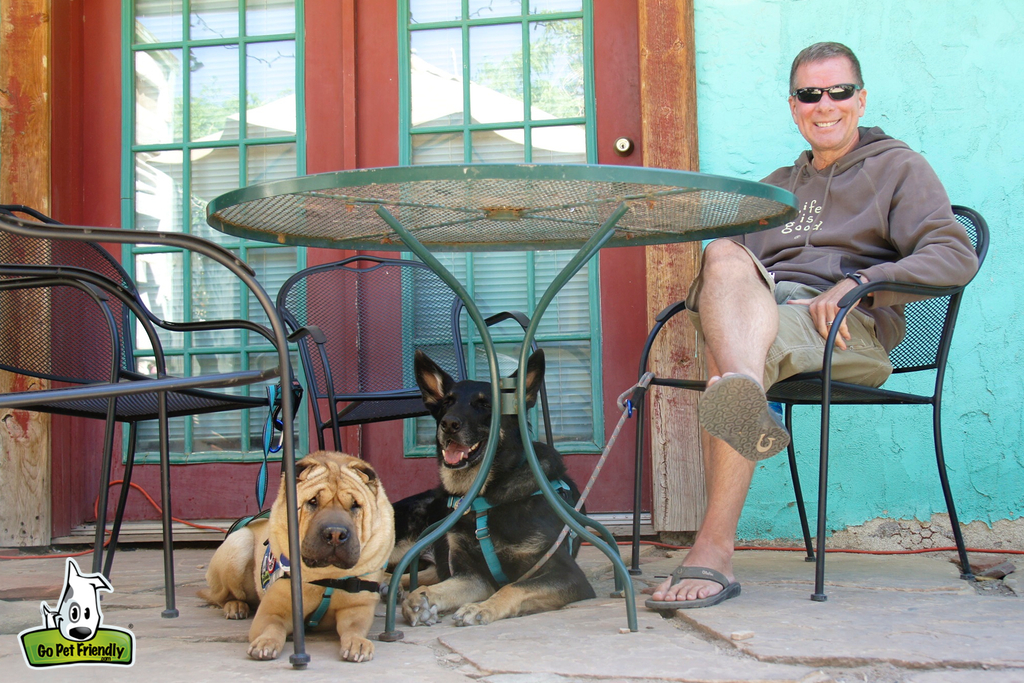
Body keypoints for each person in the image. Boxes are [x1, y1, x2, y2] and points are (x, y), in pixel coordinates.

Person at [646, 42, 979, 610]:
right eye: (809, 94)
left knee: (730, 354)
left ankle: (713, 548)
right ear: (794, 106)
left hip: (846, 331)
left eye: (839, 91)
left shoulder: (899, 167)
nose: (824, 104)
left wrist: (859, 284)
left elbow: (954, 254)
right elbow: (726, 283)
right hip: (770, 316)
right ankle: (747, 392)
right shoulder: (779, 185)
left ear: (861, 98)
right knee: (724, 253)